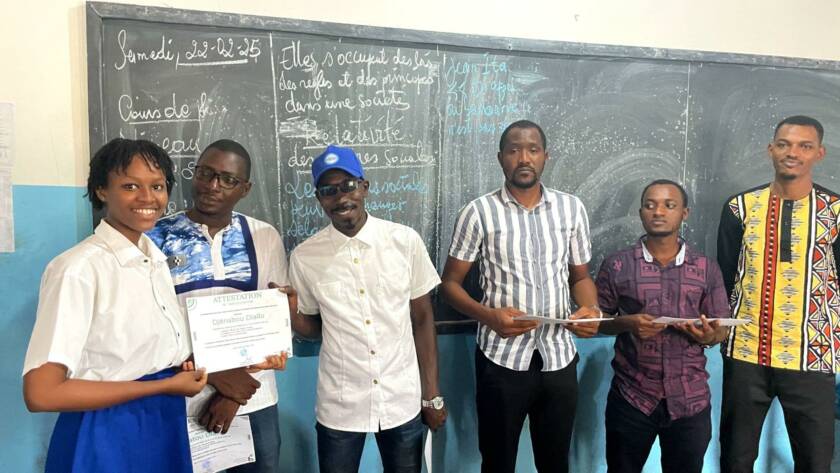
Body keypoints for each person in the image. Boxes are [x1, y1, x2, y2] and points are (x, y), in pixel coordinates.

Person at [22, 138, 207, 473]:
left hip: (161, 422)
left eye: (157, 186)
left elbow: (140, 353)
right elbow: (42, 393)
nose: (147, 198)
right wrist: (163, 385)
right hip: (103, 432)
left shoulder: (154, 260)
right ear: (101, 191)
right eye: (130, 186)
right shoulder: (78, 269)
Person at [440, 120, 601, 473]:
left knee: (555, 463)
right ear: (501, 158)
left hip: (559, 356)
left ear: (545, 156)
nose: (524, 158)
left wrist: (590, 308)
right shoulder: (478, 212)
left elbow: (580, 276)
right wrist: (488, 316)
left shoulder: (571, 209)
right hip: (501, 359)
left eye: (532, 150)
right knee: (497, 463)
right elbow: (449, 285)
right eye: (514, 150)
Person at [287, 144, 446, 473]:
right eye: (329, 190)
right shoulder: (304, 257)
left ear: (364, 187)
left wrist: (431, 394)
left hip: (401, 397)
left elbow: (422, 319)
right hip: (341, 403)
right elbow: (315, 329)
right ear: (319, 198)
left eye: (348, 185)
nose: (341, 197)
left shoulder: (404, 241)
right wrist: (291, 313)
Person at [148, 139, 288, 473]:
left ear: (245, 188)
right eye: (205, 173)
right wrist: (216, 376)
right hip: (182, 400)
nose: (213, 186)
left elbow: (271, 322)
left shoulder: (264, 236)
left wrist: (232, 395)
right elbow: (151, 324)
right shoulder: (155, 237)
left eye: (227, 179)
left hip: (253, 399)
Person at [717, 115, 840, 472]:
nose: (792, 153)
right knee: (736, 458)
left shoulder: (835, 212)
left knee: (814, 461)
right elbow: (724, 278)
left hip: (812, 354)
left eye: (804, 146)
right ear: (770, 149)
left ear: (819, 153)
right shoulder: (739, 207)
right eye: (784, 144)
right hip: (746, 351)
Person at [596, 179, 730, 473]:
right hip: (632, 396)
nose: (658, 212)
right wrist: (625, 323)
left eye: (669, 205)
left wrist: (709, 336)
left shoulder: (706, 268)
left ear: (684, 213)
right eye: (650, 205)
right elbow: (597, 322)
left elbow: (721, 327)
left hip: (690, 399)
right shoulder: (617, 265)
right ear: (641, 212)